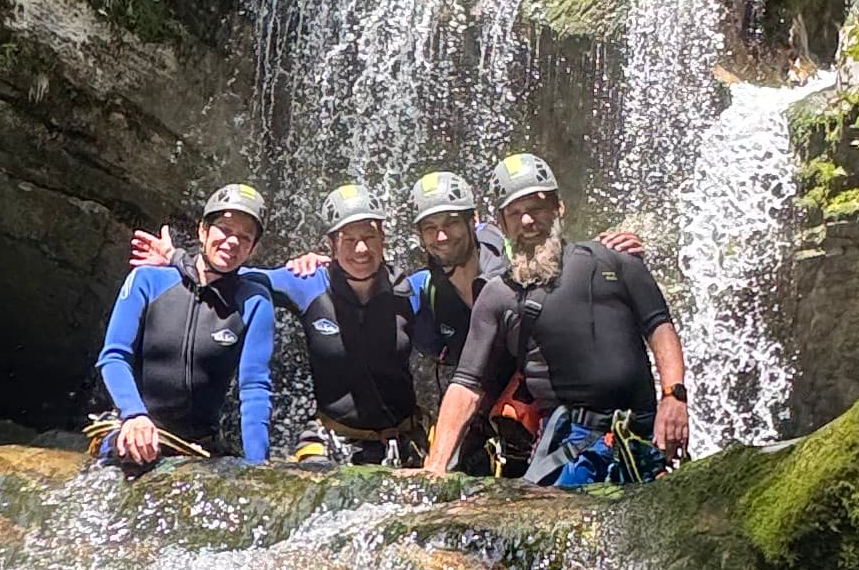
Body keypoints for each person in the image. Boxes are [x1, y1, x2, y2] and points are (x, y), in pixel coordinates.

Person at [422, 152, 692, 483]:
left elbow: (659, 325)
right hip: (568, 446)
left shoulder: (614, 262)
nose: (526, 221)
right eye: (514, 213)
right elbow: (466, 383)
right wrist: (435, 467)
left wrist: (674, 397)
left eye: (536, 208)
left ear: (558, 208)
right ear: (503, 224)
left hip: (644, 436)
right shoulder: (498, 294)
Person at [92, 185, 280, 468]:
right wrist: (133, 414)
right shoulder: (148, 280)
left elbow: (254, 389)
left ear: (253, 249)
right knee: (132, 458)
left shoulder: (254, 302)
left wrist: (258, 466)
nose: (232, 242)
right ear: (203, 231)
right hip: (134, 428)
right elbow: (114, 357)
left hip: (198, 444)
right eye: (225, 230)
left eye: (245, 237)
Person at [278, 180, 434, 464]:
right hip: (333, 438)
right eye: (349, 239)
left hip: (401, 439)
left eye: (370, 237)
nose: (361, 249)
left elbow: (467, 272)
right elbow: (244, 276)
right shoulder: (308, 284)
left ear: (383, 238)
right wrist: (177, 260)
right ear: (331, 244)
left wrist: (487, 237)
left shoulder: (411, 289)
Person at [404, 167, 536, 476]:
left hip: (535, 405)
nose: (442, 236)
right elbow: (370, 288)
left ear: (472, 220)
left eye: (451, 222)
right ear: (420, 237)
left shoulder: (515, 265)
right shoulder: (429, 288)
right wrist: (324, 268)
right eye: (430, 227)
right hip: (479, 410)